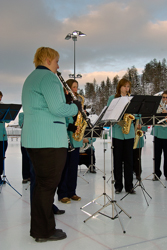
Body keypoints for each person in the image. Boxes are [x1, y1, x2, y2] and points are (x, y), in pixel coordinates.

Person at [21, 47, 80, 242]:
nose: (58, 65)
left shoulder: (31, 78)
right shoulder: (48, 78)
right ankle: (43, 231)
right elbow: (57, 108)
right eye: (56, 61)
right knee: (47, 186)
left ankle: (41, 228)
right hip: (49, 141)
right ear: (47, 60)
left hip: (34, 139)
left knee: (41, 185)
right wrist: (74, 107)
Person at [19, 112, 64, 214]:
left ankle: (48, 207)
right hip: (34, 143)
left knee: (47, 179)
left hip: (46, 142)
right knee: (37, 178)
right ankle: (38, 212)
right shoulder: (28, 113)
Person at [107, 78, 136, 194]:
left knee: (129, 160)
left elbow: (137, 114)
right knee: (117, 160)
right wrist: (117, 121)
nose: (126, 89)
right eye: (124, 86)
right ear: (119, 87)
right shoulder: (112, 99)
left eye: (128, 86)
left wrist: (134, 118)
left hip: (129, 133)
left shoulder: (132, 99)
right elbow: (108, 114)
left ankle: (129, 186)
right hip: (117, 133)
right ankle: (118, 186)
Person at [57, 79, 83, 204]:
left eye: (76, 87)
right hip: (66, 137)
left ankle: (72, 192)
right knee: (64, 168)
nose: (75, 90)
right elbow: (60, 117)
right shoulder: (63, 101)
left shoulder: (78, 102)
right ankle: (62, 193)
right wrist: (70, 126)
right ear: (67, 89)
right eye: (73, 87)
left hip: (76, 139)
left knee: (73, 167)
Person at [151, 90, 167, 181]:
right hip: (157, 133)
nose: (164, 99)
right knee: (157, 155)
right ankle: (157, 173)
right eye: (163, 97)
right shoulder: (158, 106)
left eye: (166, 97)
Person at [0, 91, 8, 184]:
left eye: (1, 97)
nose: (0, 99)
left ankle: (1, 174)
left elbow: (7, 119)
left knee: (2, 156)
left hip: (3, 137)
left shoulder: (3, 107)